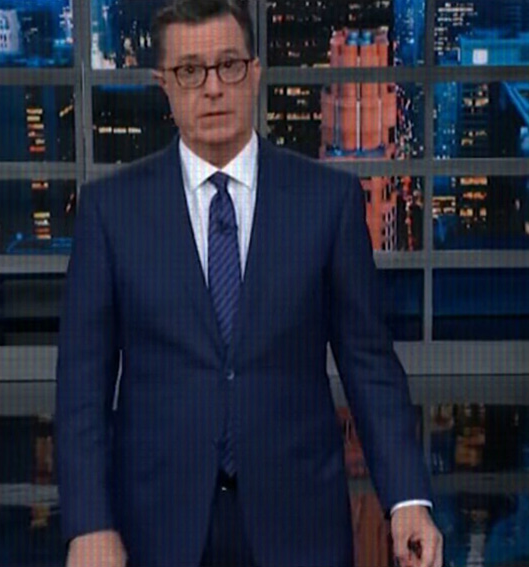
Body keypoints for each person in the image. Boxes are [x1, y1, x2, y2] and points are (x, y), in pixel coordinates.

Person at [55, 1, 443, 565]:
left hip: (299, 521)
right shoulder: (110, 212)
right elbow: (81, 387)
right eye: (191, 70)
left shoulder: (327, 202)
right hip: (155, 523)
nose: (213, 88)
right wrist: (89, 523)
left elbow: (369, 364)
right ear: (164, 85)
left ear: (255, 72)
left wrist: (407, 499)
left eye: (229, 65)